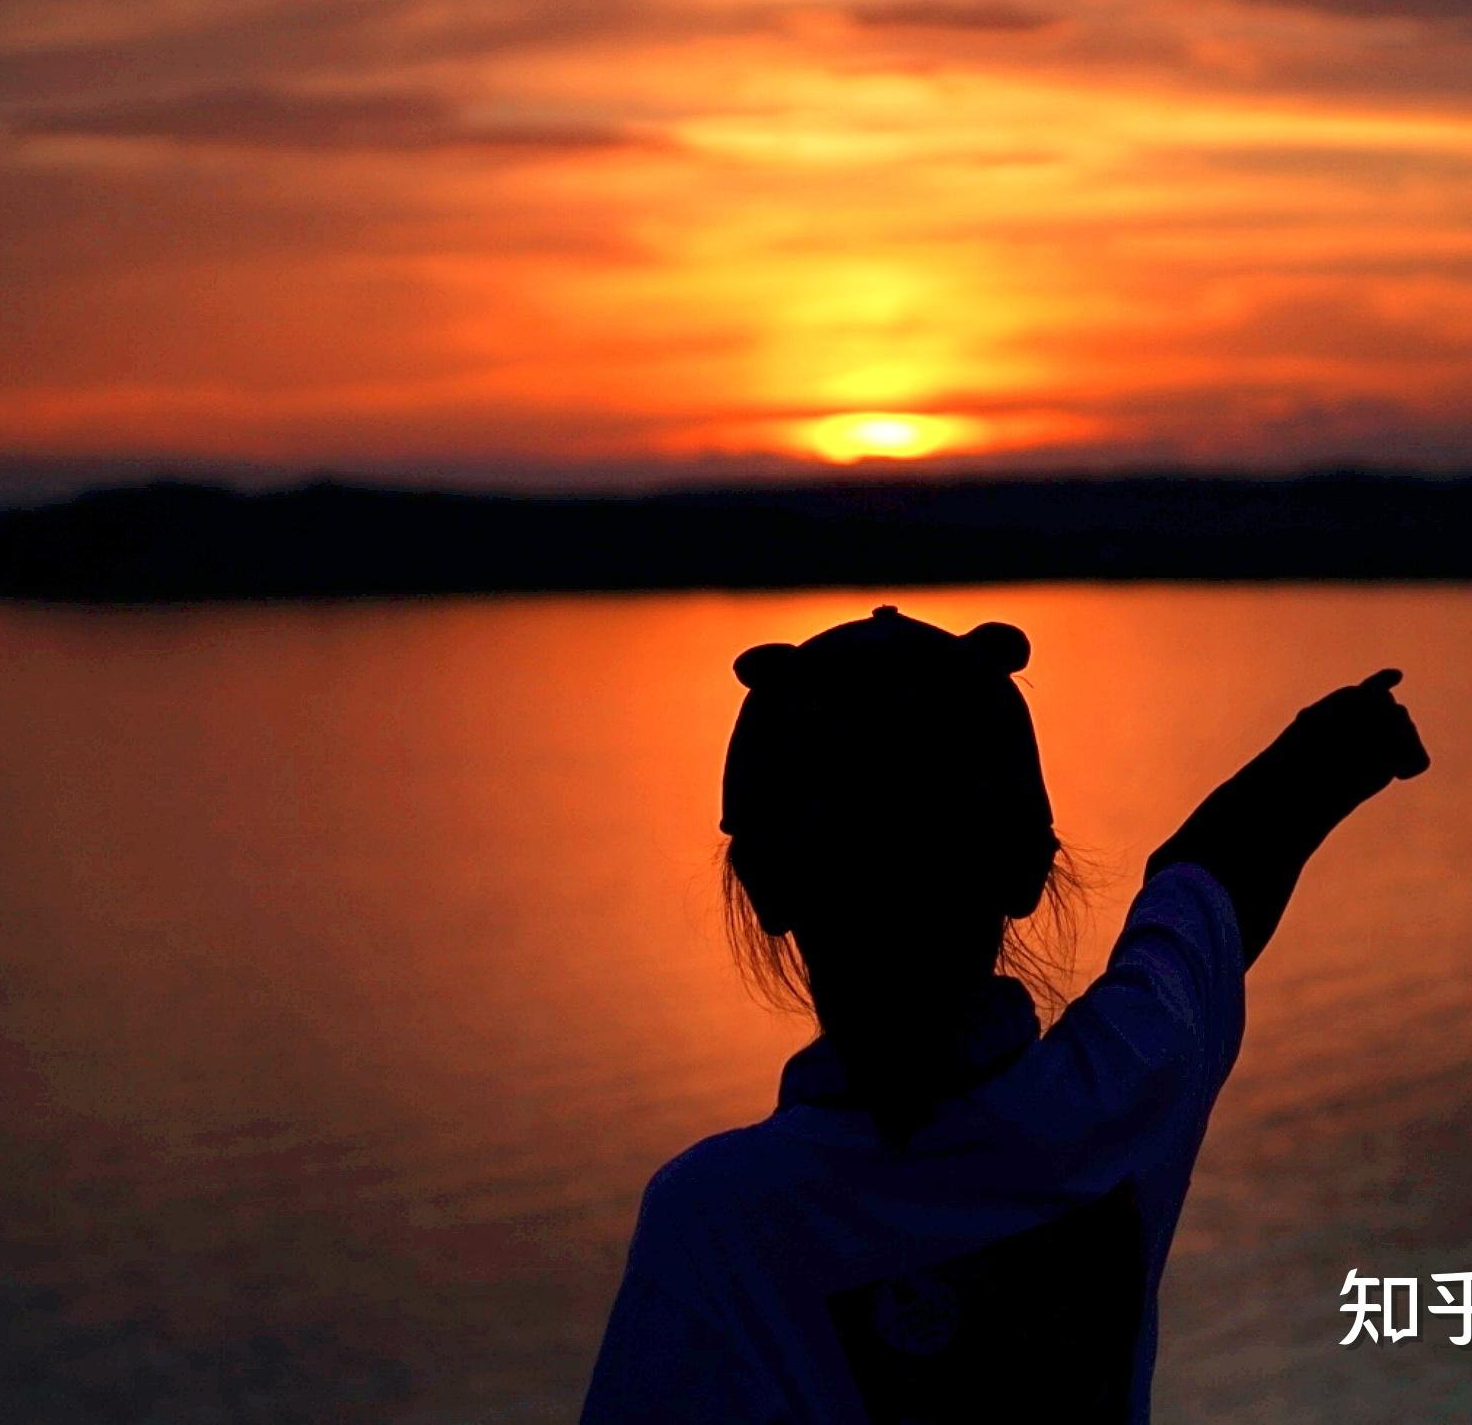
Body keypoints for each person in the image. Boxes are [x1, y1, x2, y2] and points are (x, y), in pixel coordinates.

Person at [584, 605, 1428, 1423]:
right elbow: (1213, 879)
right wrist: (1332, 751)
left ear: (766, 887)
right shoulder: (1117, 1098)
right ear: (1030, 870)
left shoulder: (717, 1226)